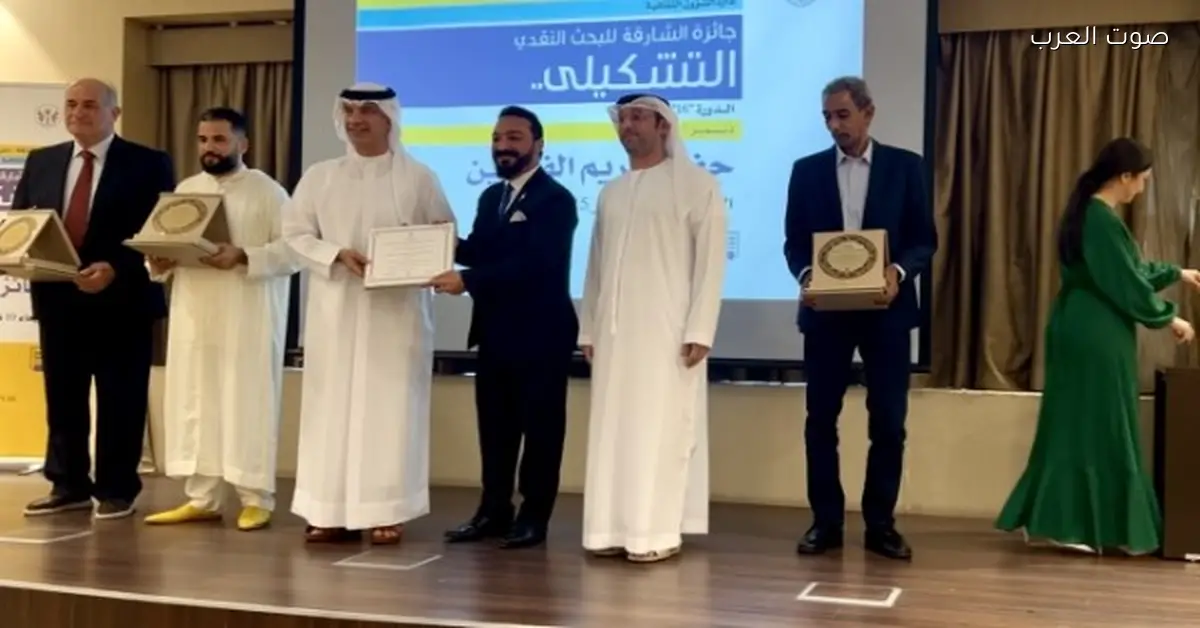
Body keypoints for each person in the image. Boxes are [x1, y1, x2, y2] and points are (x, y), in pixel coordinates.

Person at [995, 137, 1200, 555]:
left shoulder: (1091, 215)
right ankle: (1078, 526)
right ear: (1124, 176)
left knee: (1078, 422)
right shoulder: (1100, 219)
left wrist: (1176, 272)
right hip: (1095, 331)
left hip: (1086, 325)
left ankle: (1068, 522)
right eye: (1141, 179)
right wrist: (1168, 318)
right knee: (1101, 423)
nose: (1142, 188)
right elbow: (1124, 280)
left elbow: (1128, 270)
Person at [282, 83, 454, 545]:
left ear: (388, 119)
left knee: (390, 410)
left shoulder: (419, 177)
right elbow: (294, 234)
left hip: (395, 315)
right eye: (350, 111)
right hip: (335, 312)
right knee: (329, 409)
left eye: (368, 111)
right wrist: (336, 253)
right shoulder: (320, 176)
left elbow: (443, 231)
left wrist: (431, 250)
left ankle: (387, 509)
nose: (356, 119)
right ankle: (327, 510)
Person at [782, 76, 936, 560]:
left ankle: (880, 525)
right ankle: (825, 522)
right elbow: (794, 243)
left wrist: (897, 271)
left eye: (843, 115)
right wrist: (807, 274)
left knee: (888, 422)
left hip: (886, 314)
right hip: (825, 316)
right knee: (820, 420)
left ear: (868, 112)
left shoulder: (905, 167)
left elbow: (923, 239)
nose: (834, 125)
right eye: (827, 117)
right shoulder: (806, 171)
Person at [11, 78, 175, 520]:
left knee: (121, 397)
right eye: (71, 104)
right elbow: (24, 221)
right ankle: (68, 485)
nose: (77, 113)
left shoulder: (148, 163)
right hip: (58, 298)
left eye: (88, 105)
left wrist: (116, 268)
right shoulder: (42, 161)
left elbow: (160, 231)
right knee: (63, 397)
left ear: (113, 114)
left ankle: (117, 489)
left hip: (123, 300)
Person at [577, 93, 726, 563]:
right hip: (614, 336)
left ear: (663, 125)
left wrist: (700, 328)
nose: (628, 126)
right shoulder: (611, 192)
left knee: (661, 430)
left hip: (668, 333)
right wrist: (588, 329)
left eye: (638, 117)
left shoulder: (697, 185)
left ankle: (656, 532)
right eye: (623, 119)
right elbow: (596, 266)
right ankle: (608, 529)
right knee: (613, 430)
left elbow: (711, 263)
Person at [142, 107, 297, 532]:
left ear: (243, 144)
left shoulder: (269, 192)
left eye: (219, 139)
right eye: (203, 140)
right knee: (197, 399)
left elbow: (294, 251)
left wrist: (243, 255)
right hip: (195, 315)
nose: (209, 148)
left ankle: (256, 499)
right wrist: (160, 261)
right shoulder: (187, 190)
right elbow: (168, 245)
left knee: (247, 403)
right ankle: (203, 498)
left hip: (248, 316)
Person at [433, 106, 578, 550]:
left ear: (538, 145)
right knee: (495, 429)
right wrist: (441, 243)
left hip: (542, 333)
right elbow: (483, 252)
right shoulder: (490, 197)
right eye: (497, 138)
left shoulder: (556, 199)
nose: (503, 146)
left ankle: (534, 517)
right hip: (495, 332)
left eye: (514, 137)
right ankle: (493, 511)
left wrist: (469, 281)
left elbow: (537, 264)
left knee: (541, 431)